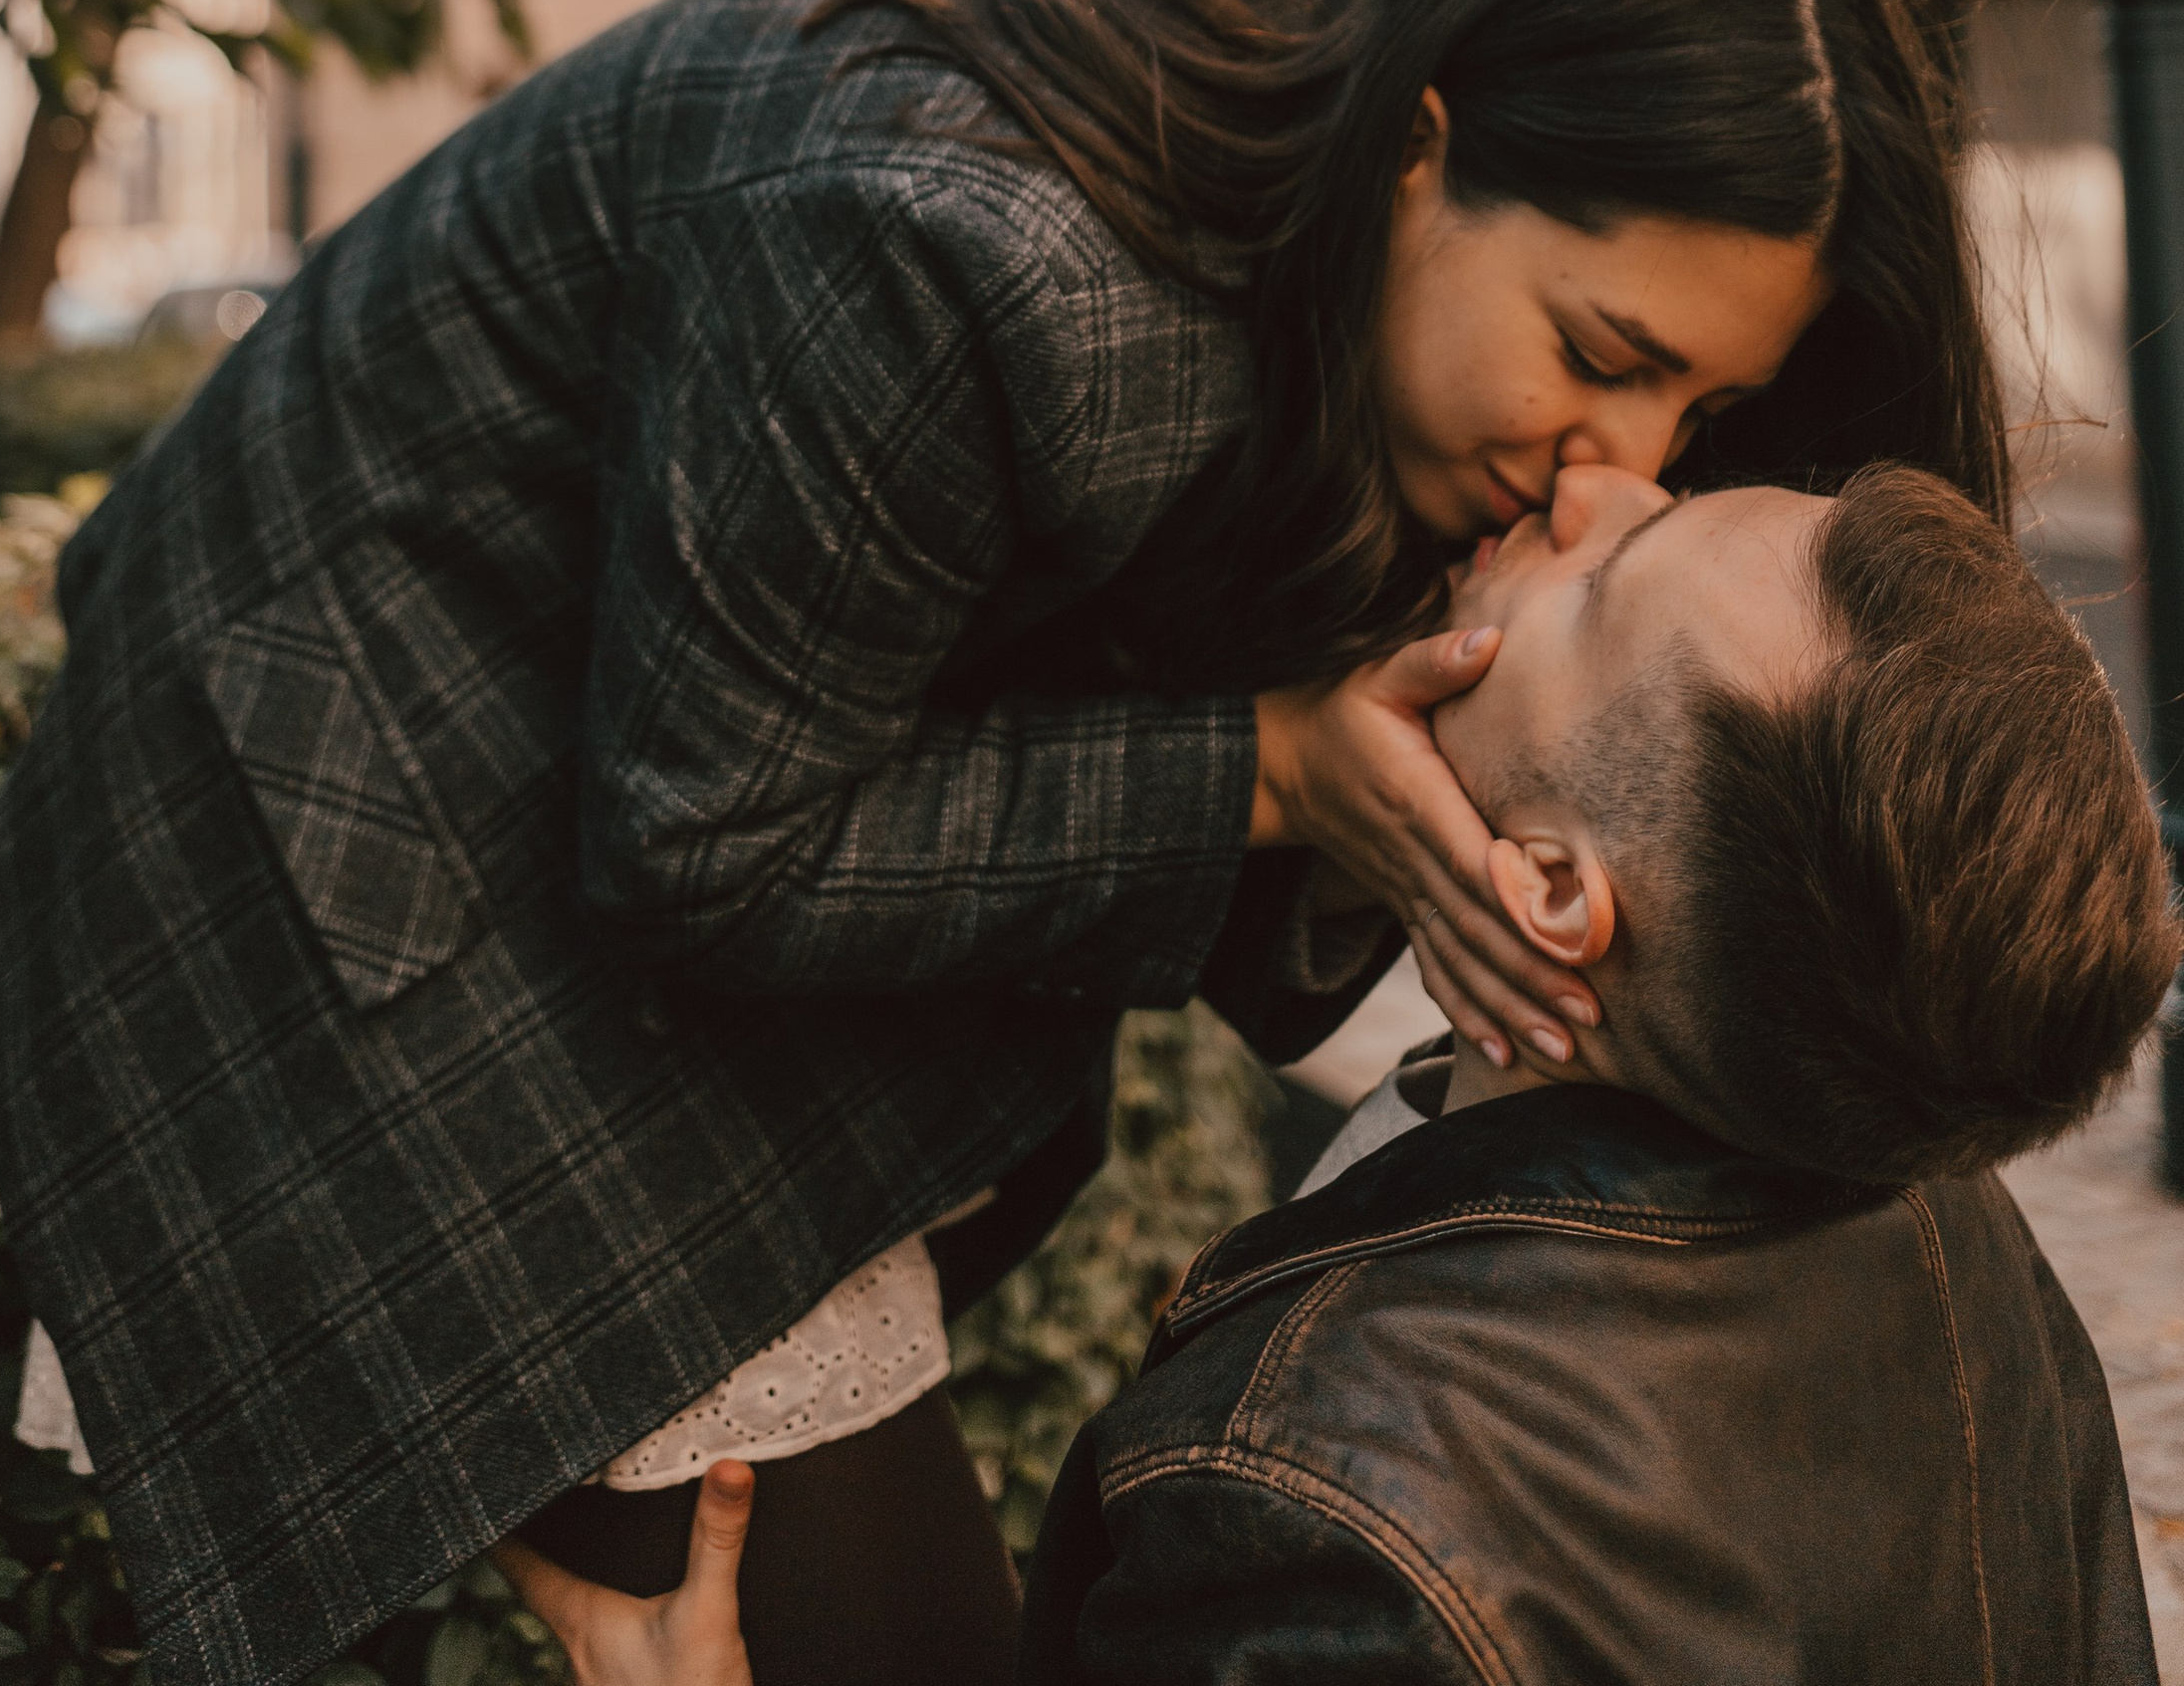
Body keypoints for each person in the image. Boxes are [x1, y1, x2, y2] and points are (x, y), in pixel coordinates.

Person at [0, 0, 2015, 1686]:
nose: (1623, 469)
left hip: (622, 760)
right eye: (1600, 353)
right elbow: (703, 850)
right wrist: (1267, 770)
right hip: (337, 832)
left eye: (1698, 408)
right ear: (1424, 147)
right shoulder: (952, 247)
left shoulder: (1314, 227)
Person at [505, 457, 2177, 1686]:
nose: (1593, 483)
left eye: (1611, 574)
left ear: (1553, 892)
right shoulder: (1942, 1220)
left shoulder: (1322, 1516)